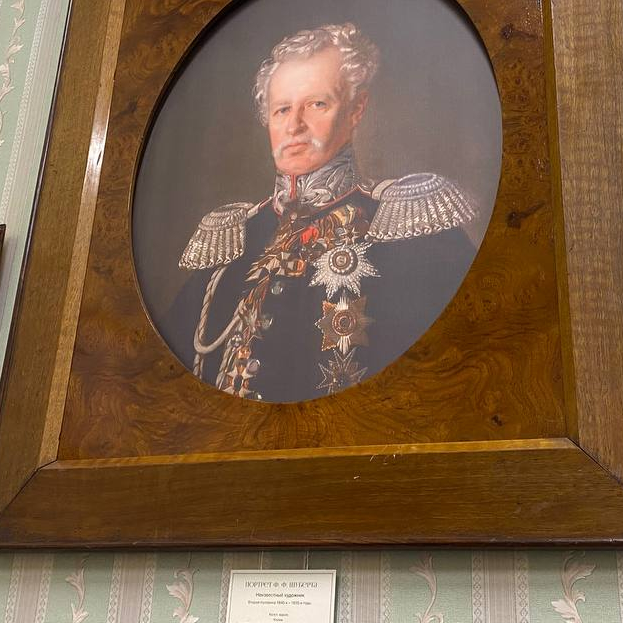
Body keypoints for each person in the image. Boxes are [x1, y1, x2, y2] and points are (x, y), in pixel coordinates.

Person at [162, 22, 479, 403]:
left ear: (356, 108)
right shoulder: (232, 239)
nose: (294, 126)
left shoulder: (414, 230)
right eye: (282, 110)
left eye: (316, 104)